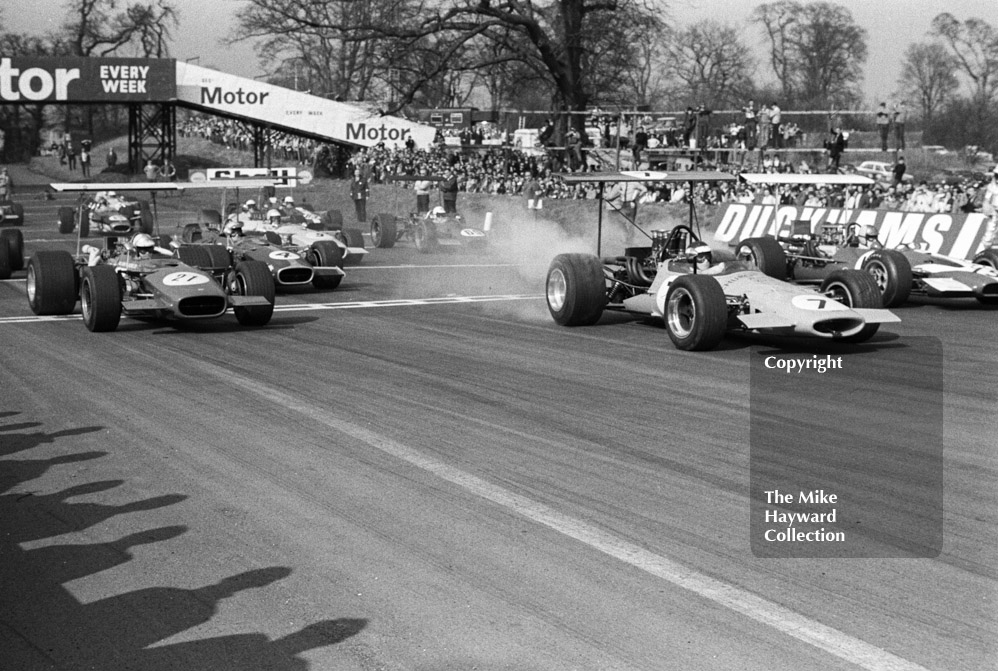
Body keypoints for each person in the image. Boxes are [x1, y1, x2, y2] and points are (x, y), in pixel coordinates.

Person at [980, 165, 998, 252]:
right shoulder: (992, 186)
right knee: (990, 230)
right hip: (995, 211)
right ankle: (985, 249)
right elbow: (987, 199)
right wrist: (987, 206)